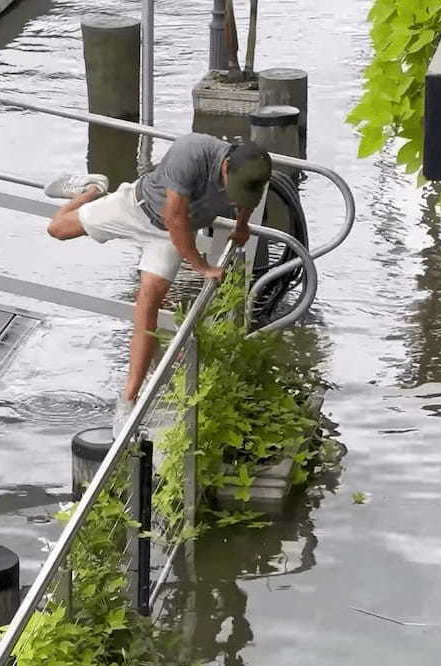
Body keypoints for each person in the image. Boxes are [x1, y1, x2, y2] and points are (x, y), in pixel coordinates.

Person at [45, 133, 272, 438]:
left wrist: (242, 227)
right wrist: (202, 267)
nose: (233, 198)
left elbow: (248, 203)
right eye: (232, 190)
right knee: (56, 229)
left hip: (168, 237)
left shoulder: (255, 173)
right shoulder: (191, 151)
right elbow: (174, 217)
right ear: (226, 165)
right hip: (138, 209)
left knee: (148, 300)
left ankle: (128, 400)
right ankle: (91, 188)